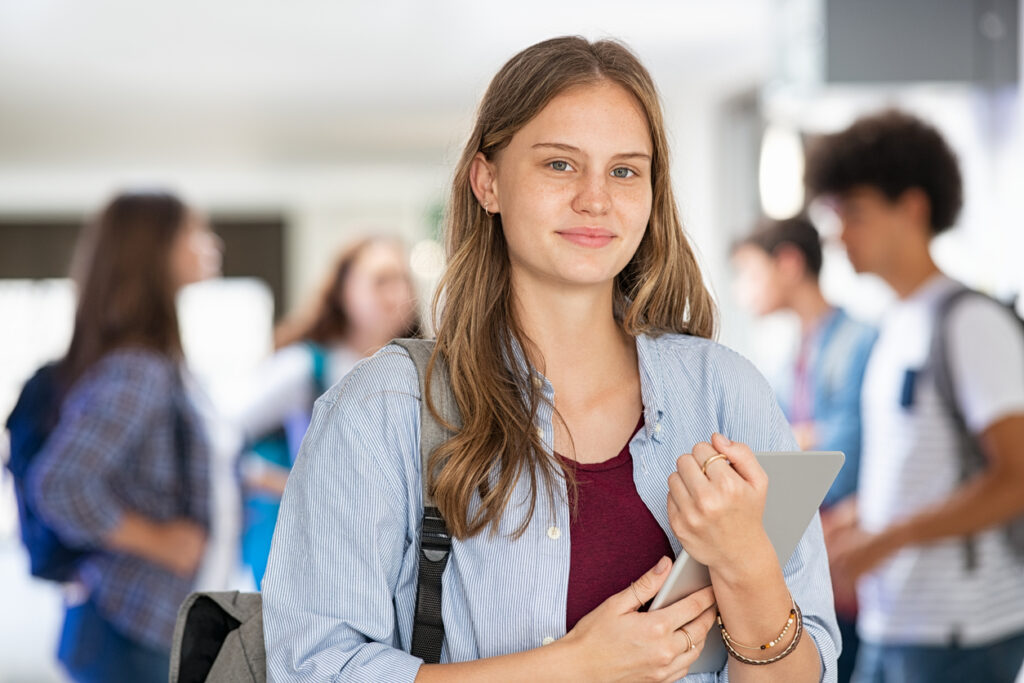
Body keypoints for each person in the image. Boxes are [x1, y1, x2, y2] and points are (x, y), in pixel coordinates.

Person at [263, 37, 839, 682]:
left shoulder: (724, 394)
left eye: (625, 171)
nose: (596, 199)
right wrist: (572, 667)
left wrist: (747, 566)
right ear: (488, 182)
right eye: (560, 165)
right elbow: (315, 668)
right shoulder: (385, 409)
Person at [805, 109, 1024, 683]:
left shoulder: (969, 323)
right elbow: (920, 472)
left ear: (913, 207)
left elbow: (1017, 478)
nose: (837, 233)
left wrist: (890, 538)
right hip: (898, 620)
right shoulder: (897, 325)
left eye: (853, 212)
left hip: (960, 631)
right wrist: (856, 521)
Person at [24, 191, 222, 681]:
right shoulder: (138, 369)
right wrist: (158, 541)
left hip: (142, 620)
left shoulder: (159, 362)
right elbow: (58, 484)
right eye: (193, 234)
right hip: (128, 621)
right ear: (155, 252)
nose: (211, 245)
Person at [732, 215, 876, 683]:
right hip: (813, 541)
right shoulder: (790, 351)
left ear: (789, 264)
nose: (742, 291)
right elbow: (764, 445)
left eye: (749, 273)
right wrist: (804, 436)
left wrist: (798, 439)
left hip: (851, 547)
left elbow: (843, 454)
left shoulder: (859, 341)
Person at [230, 236, 421, 587]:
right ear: (345, 291)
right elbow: (219, 435)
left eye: (402, 280)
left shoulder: (418, 374)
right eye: (381, 281)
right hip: (307, 563)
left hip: (381, 565)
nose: (396, 294)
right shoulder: (305, 367)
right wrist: (287, 485)